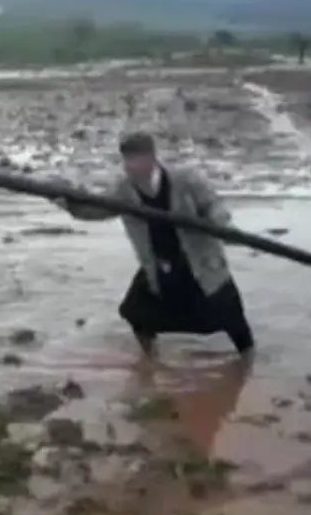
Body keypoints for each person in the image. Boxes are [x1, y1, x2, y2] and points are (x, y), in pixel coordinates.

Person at [53, 132, 255, 359]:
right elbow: (97, 209)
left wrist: (222, 226)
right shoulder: (124, 189)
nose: (130, 166)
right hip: (158, 264)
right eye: (127, 160)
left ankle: (248, 361)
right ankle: (149, 360)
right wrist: (70, 204)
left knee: (231, 317)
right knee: (135, 312)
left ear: (151, 158)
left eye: (136, 160)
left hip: (198, 262)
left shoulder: (186, 180)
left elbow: (213, 205)